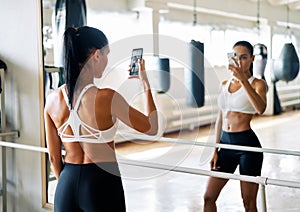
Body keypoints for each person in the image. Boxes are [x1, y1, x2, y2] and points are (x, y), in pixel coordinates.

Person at [44, 26, 158, 212]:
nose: (107, 61)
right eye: (106, 54)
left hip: (66, 185)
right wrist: (145, 83)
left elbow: (54, 157)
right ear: (96, 55)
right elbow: (152, 127)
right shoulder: (107, 98)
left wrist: (70, 185)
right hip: (101, 184)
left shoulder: (51, 100)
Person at [203, 41, 267, 212]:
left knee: (248, 201)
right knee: (208, 197)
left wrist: (243, 79)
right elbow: (220, 118)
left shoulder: (257, 84)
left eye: (244, 57)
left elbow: (260, 109)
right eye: (235, 57)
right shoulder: (224, 84)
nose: (239, 62)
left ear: (252, 59)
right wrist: (215, 149)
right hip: (225, 145)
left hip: (248, 148)